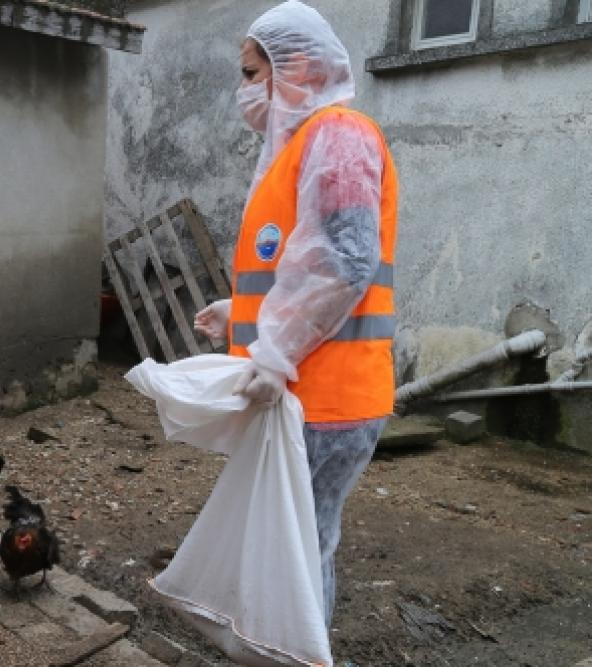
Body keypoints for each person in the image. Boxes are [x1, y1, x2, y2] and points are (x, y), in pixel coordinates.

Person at [193, 1, 399, 631]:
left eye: (253, 73)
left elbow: (342, 260)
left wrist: (275, 353)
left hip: (326, 396)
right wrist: (245, 312)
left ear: (298, 68)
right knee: (293, 544)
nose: (244, 90)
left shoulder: (338, 136)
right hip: (309, 390)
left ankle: (298, 652)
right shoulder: (304, 145)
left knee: (299, 550)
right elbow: (298, 263)